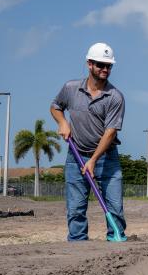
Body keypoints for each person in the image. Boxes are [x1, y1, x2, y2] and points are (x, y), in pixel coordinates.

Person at [50, 42, 126, 241]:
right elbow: (55, 106)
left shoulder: (115, 97)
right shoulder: (71, 88)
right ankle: (77, 249)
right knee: (75, 209)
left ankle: (116, 243)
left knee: (115, 209)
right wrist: (63, 122)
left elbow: (110, 133)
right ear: (89, 64)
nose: (105, 69)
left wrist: (93, 160)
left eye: (109, 66)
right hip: (76, 158)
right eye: (101, 65)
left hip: (106, 159)